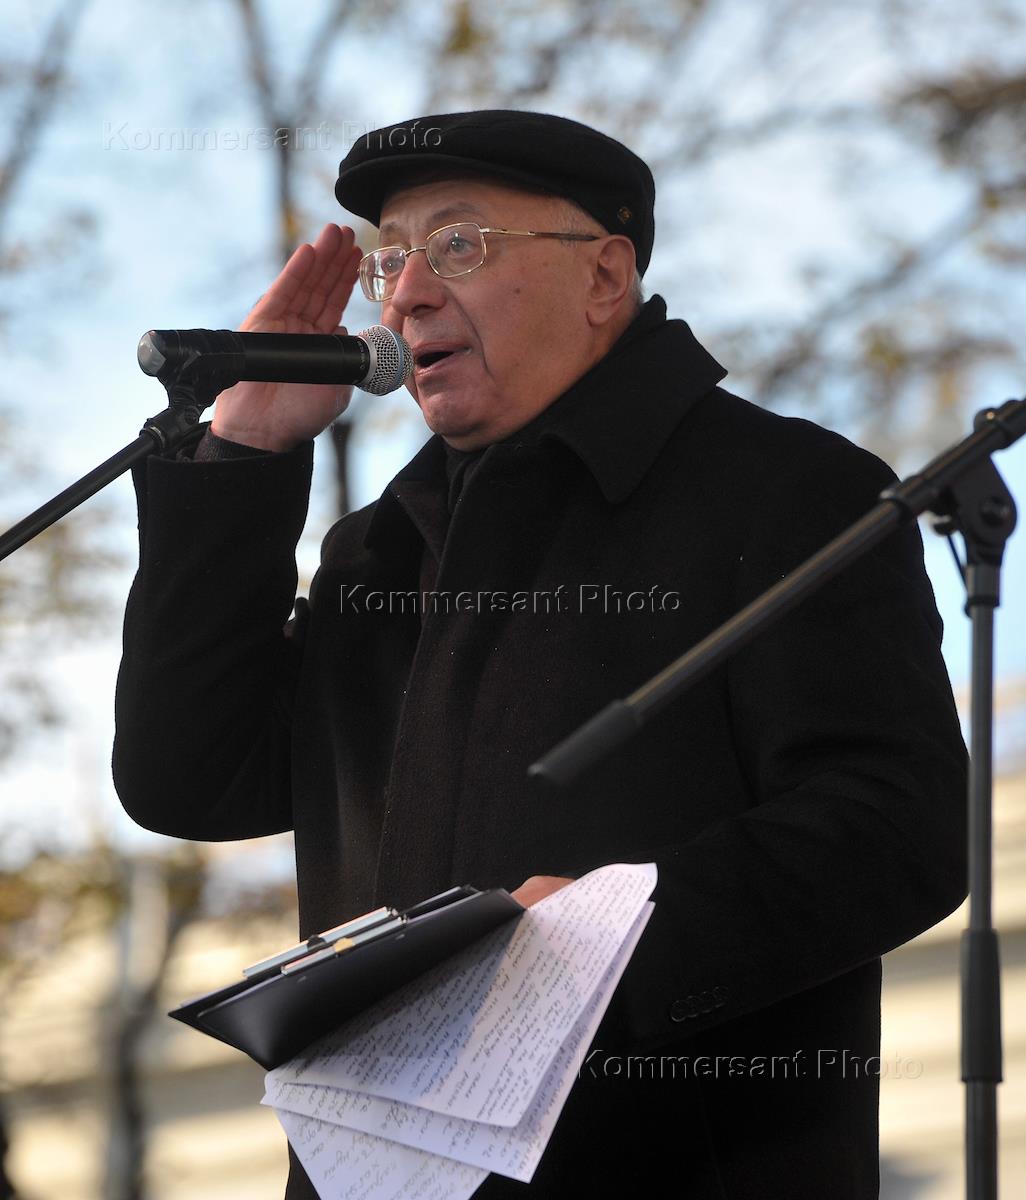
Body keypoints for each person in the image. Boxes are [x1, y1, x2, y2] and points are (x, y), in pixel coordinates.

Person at [113, 110, 968, 1199]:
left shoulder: (783, 489)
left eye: (458, 245)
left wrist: (604, 941)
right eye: (389, 261)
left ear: (603, 276)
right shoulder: (379, 552)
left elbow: (896, 824)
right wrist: (242, 457)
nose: (407, 294)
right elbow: (188, 778)